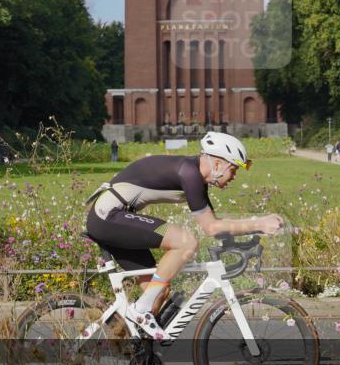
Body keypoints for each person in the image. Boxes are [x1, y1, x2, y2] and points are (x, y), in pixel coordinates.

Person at [84, 132, 284, 335]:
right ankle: (140, 310)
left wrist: (245, 236)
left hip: (115, 218)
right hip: (107, 217)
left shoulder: (196, 177)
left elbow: (214, 225)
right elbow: (211, 227)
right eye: (233, 169)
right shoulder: (189, 173)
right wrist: (259, 223)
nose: (234, 176)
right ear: (217, 164)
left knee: (158, 291)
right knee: (186, 242)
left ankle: (133, 348)